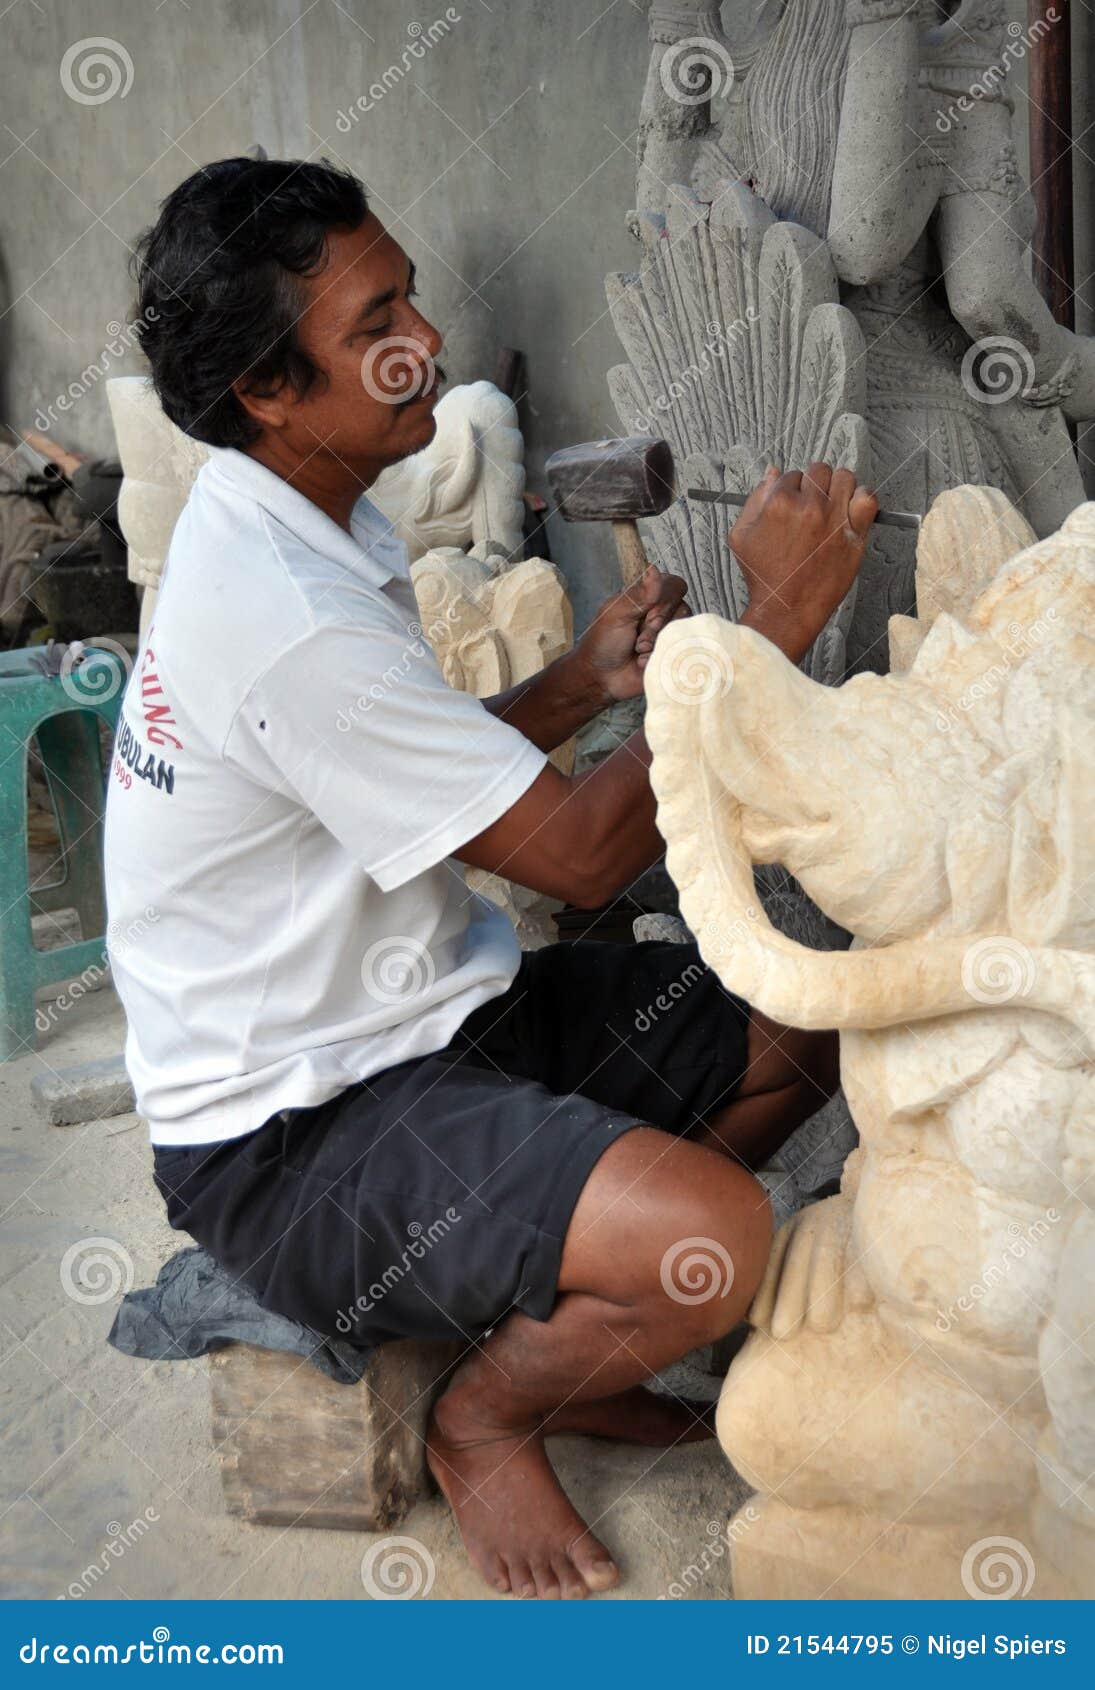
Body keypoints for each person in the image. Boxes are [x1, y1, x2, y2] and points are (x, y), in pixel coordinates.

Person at [105, 157, 878, 1600]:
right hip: (297, 1130)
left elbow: (388, 769)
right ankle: (488, 1409)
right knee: (722, 1232)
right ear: (268, 389)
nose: (429, 344)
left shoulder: (307, 510)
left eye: (410, 293)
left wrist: (575, 682)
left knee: (803, 1014)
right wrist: (769, 621)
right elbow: (585, 859)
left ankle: (569, 1326)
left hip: (429, 1023)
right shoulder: (276, 609)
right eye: (377, 320)